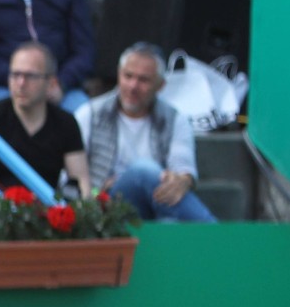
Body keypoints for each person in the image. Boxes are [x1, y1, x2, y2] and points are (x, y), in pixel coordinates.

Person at [74, 42, 216, 222]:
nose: (133, 86)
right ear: (118, 74)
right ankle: (215, 233)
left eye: (143, 80)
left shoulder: (175, 119)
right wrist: (97, 190)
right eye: (128, 76)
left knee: (169, 223)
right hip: (105, 207)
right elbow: (70, 180)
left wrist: (180, 181)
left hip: (155, 204)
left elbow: (183, 167)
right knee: (144, 171)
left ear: (161, 85)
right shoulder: (90, 114)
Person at [0, 42, 88, 198]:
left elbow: (81, 181)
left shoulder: (66, 123)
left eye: (30, 76)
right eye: (15, 75)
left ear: (51, 83)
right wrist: (2, 205)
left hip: (45, 213)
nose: (20, 83)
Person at [0, 0, 94, 113]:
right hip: (4, 85)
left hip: (59, 85)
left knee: (84, 114)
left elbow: (84, 50)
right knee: (3, 119)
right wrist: (19, 79)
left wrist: (60, 83)